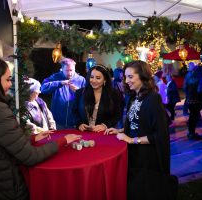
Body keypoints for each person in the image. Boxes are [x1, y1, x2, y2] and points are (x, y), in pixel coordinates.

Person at [0, 56, 81, 200]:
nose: (10, 85)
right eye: (8, 80)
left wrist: (32, 138)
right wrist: (62, 141)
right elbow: (30, 156)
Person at [105, 61, 174, 199]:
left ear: (142, 76)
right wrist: (120, 131)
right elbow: (137, 123)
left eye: (130, 77)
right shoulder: (133, 96)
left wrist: (131, 139)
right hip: (134, 153)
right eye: (125, 77)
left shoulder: (153, 98)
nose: (126, 80)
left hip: (147, 157)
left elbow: (160, 135)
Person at [72, 64, 123, 132]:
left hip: (104, 133)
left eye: (98, 78)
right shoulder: (80, 93)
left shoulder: (113, 94)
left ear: (105, 80)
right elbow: (74, 112)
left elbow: (118, 114)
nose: (94, 80)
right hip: (84, 133)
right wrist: (79, 124)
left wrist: (105, 125)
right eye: (92, 77)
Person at [41, 57, 86, 129]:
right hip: (57, 122)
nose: (69, 73)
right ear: (62, 69)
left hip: (75, 123)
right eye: (67, 70)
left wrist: (78, 91)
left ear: (74, 68)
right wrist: (60, 83)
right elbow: (43, 88)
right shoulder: (55, 77)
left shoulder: (81, 79)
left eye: (71, 70)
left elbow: (87, 98)